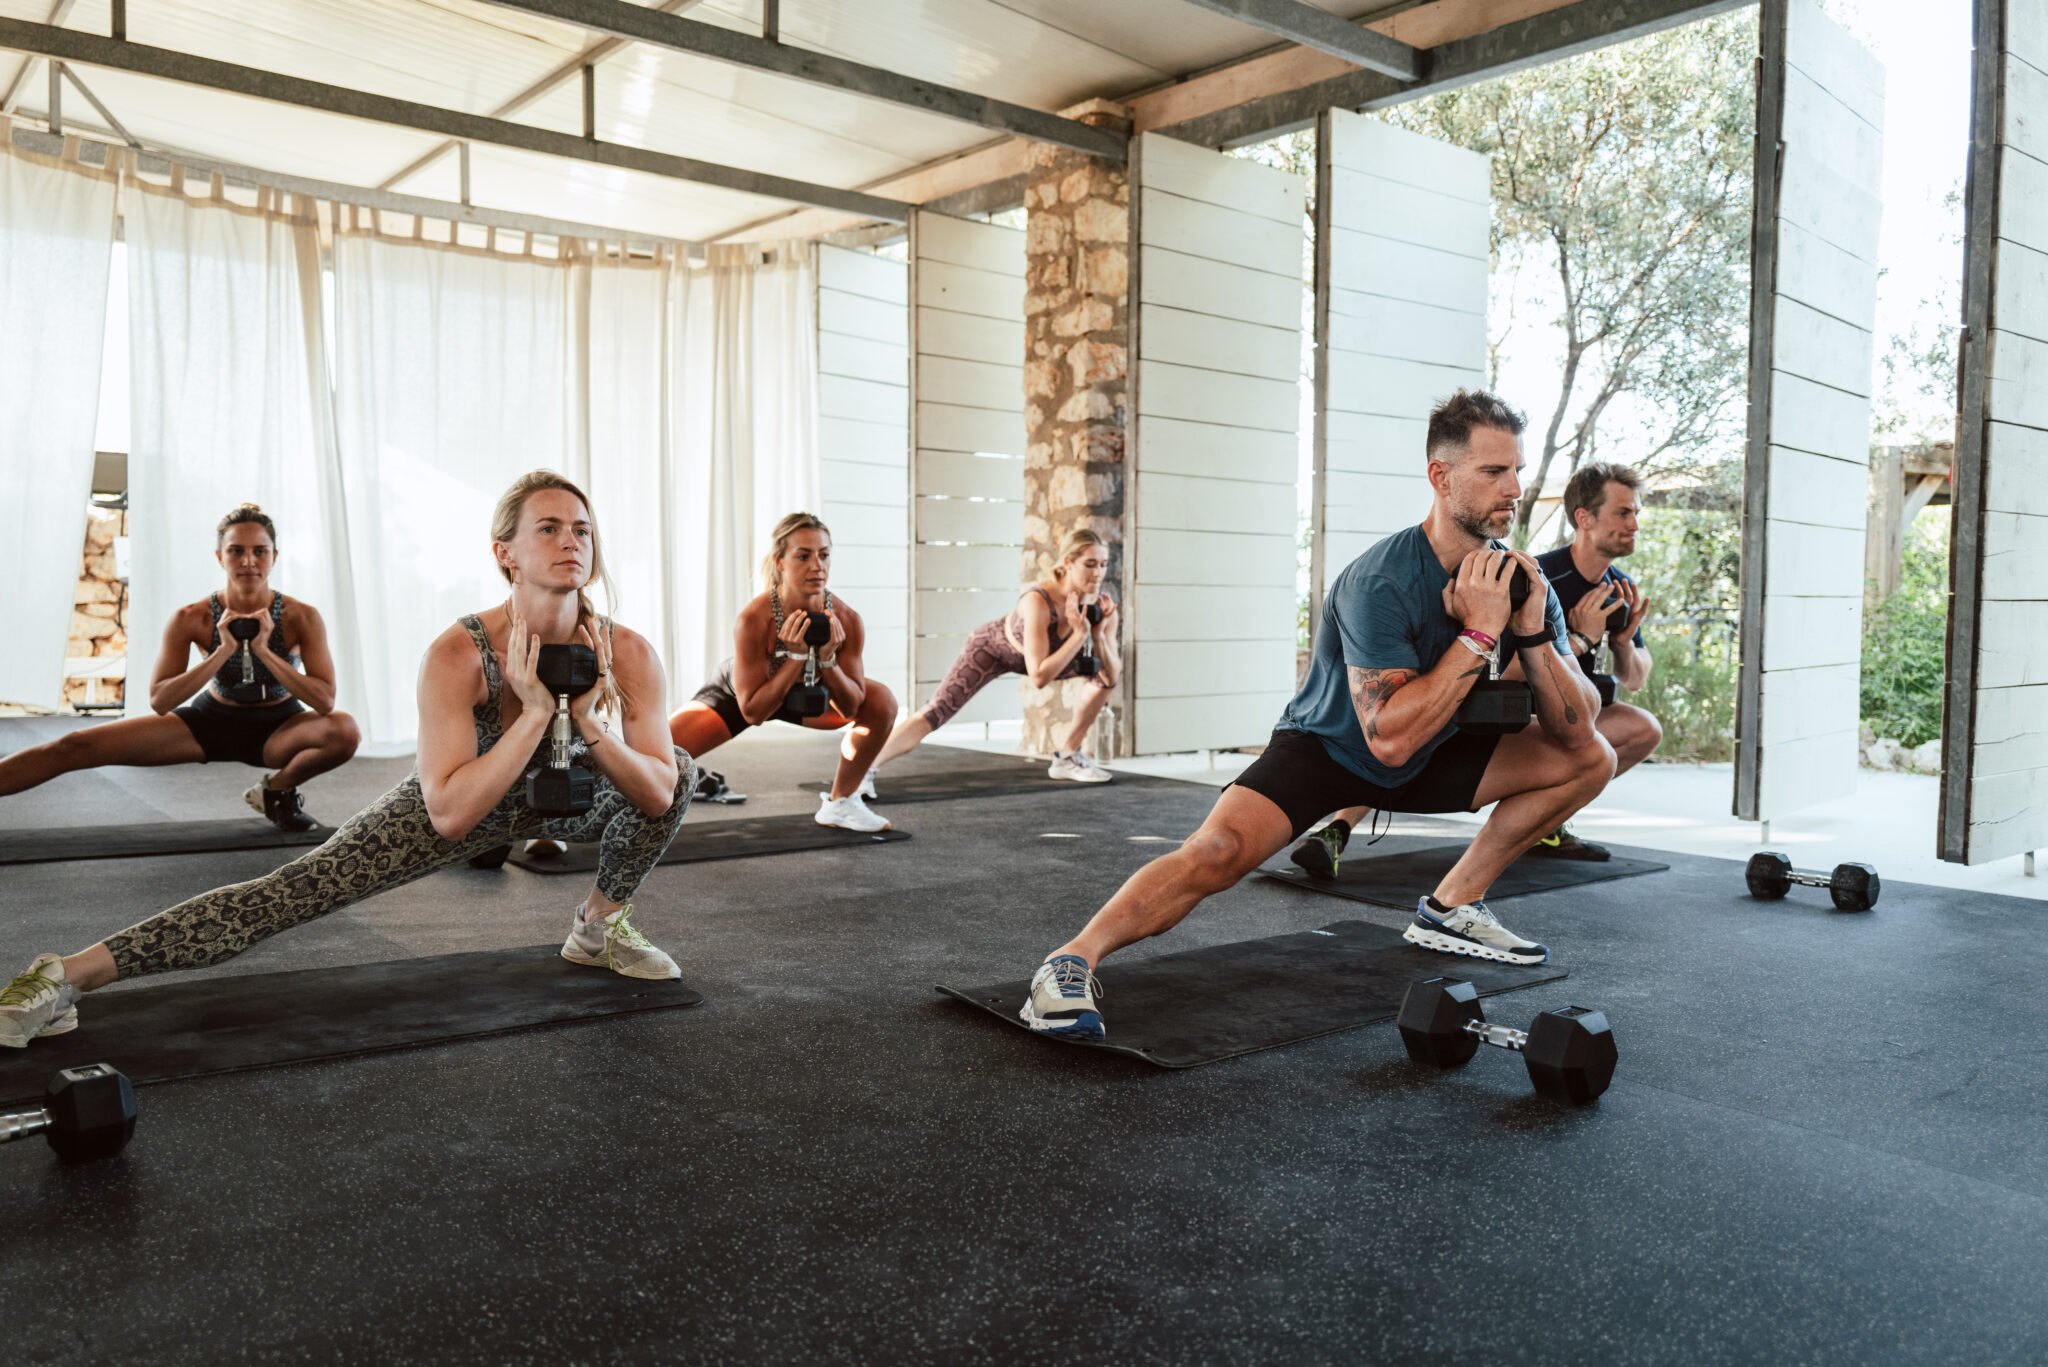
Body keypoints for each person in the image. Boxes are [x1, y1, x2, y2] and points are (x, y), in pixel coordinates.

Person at [0, 471, 695, 1048]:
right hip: (456, 795)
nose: (570, 540)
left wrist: (582, 722)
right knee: (289, 893)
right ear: (505, 552)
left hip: (568, 795)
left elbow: (662, 791)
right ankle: (65, 974)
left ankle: (599, 926)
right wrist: (537, 712)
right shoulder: (458, 654)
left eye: (581, 529)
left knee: (684, 767)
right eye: (548, 527)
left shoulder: (626, 653)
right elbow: (450, 814)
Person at [1019, 390, 1614, 1040]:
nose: (1515, 488)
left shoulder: (1518, 581)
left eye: (1519, 470)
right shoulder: (1378, 581)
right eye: (1494, 472)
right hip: (1328, 750)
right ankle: (1067, 963)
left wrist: (1526, 631)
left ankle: (1453, 904)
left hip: (1433, 748)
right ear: (1441, 478)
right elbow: (1386, 737)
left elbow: (1576, 728)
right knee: (1215, 851)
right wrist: (1478, 634)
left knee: (1593, 757)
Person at [1286, 461, 1661, 877]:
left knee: (1641, 729)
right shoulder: (1535, 572)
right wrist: (1581, 639)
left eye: (1636, 514)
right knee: (1401, 732)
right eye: (1624, 513)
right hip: (1503, 705)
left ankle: (1543, 820)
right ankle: (1338, 826)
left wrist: (1623, 641)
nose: (1635, 525)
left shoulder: (1619, 586)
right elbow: (1509, 672)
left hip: (1566, 711)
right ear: (1584, 518)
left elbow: (1635, 678)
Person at [0, 504, 361, 831]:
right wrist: (223, 651)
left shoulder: (302, 617)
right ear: (220, 557)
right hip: (208, 723)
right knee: (74, 745)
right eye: (236, 551)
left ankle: (276, 791)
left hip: (280, 728)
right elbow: (160, 700)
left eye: (259, 551)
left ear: (274, 557)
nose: (248, 561)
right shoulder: (191, 618)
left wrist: (265, 651)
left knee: (345, 730)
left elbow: (325, 700)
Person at [668, 513, 896, 833]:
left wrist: (827, 661)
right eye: (803, 555)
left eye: (824, 554)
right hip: (744, 696)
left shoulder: (847, 619)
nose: (817, 565)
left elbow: (850, 708)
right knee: (652, 756)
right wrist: (796, 657)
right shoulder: (754, 619)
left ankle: (841, 803)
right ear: (780, 560)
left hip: (812, 697)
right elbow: (754, 713)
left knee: (882, 700)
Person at [871, 528, 1120, 783]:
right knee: (937, 711)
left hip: (1051, 660)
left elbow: (1112, 675)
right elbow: (1039, 677)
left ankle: (1068, 756)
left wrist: (1097, 636)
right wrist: (1079, 636)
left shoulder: (1101, 606)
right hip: (994, 649)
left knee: (1103, 678)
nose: (1098, 573)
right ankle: (865, 769)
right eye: (1090, 565)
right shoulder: (1039, 601)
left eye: (1103, 564)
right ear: (1068, 562)